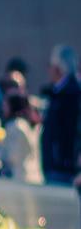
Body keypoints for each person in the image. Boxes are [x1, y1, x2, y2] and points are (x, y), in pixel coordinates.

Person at [42, 45, 80, 185]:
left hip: (63, 167)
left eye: (50, 65)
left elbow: (72, 129)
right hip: (56, 164)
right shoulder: (58, 92)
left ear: (58, 68)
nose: (48, 70)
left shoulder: (72, 93)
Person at [0, 92, 42, 183]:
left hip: (21, 178)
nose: (3, 108)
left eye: (6, 105)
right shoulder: (24, 124)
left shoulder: (16, 126)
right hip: (32, 175)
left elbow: (13, 156)